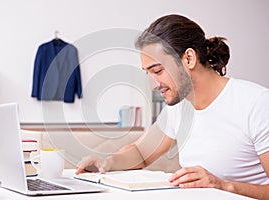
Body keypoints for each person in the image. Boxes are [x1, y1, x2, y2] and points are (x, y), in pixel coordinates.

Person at [76, 14, 269, 199]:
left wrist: (223, 186)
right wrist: (105, 163)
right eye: (149, 74)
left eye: (158, 71)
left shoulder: (257, 104)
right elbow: (142, 153)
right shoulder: (179, 106)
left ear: (189, 59)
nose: (153, 85)